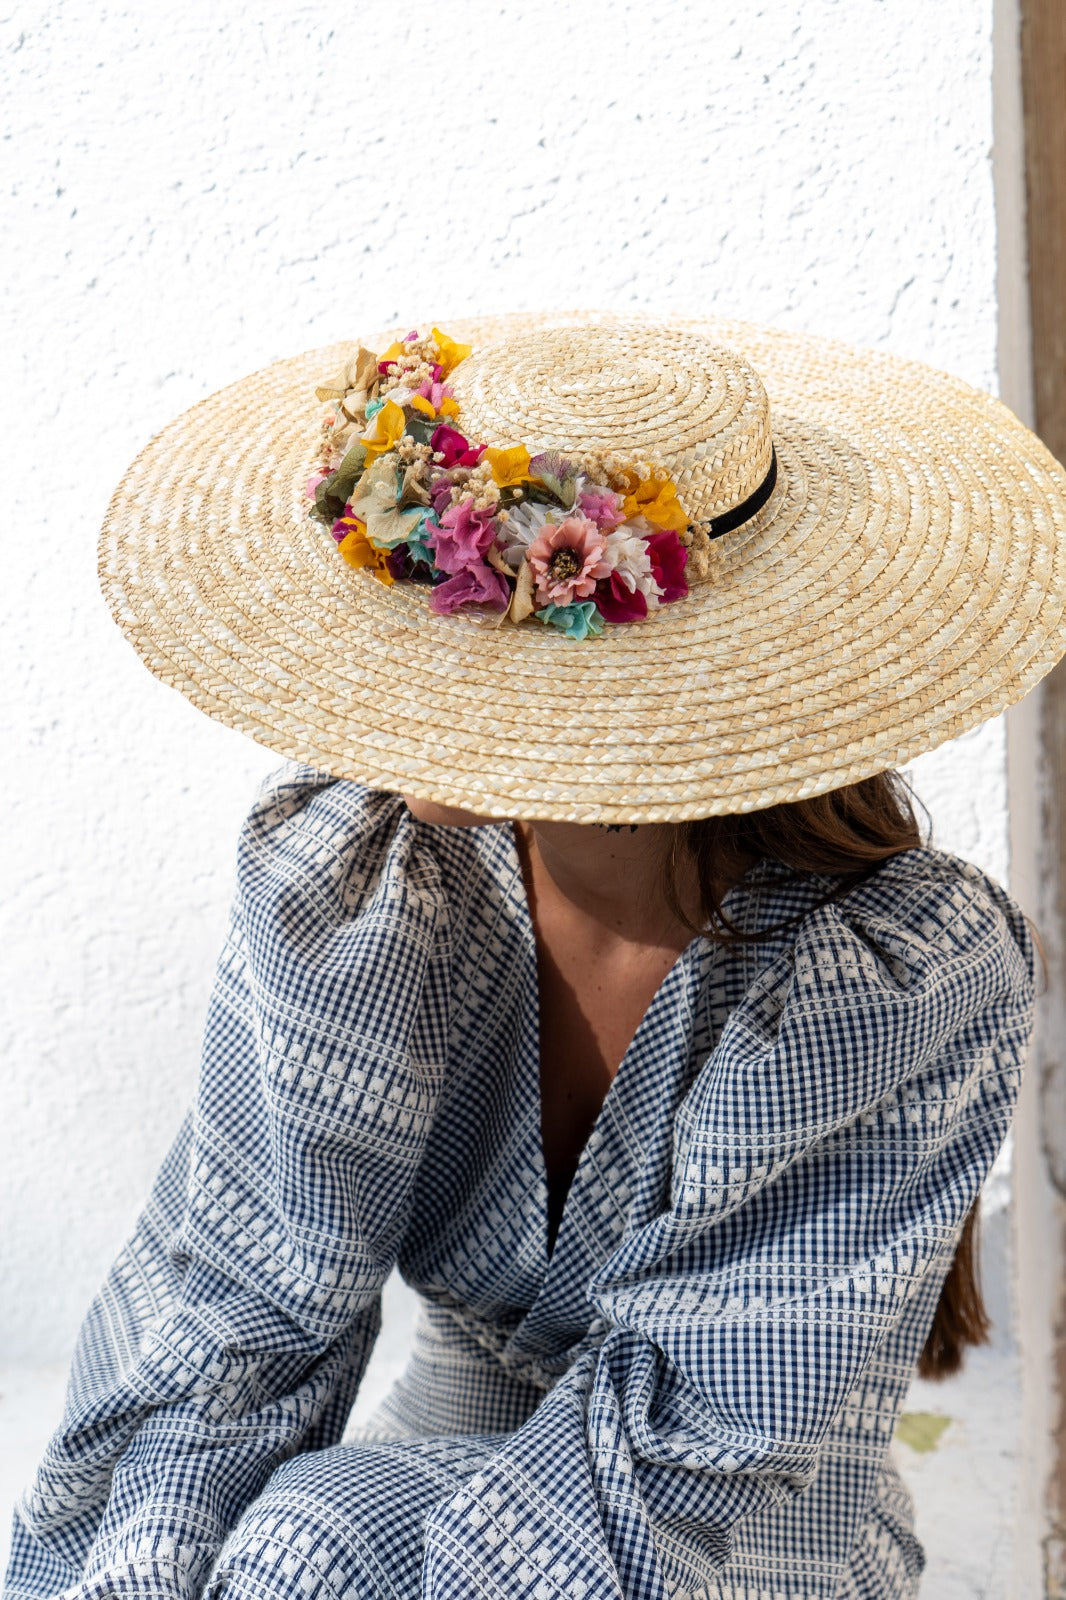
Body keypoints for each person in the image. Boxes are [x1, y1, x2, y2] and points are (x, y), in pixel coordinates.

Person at [6, 312, 1064, 1600]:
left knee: (308, 1539)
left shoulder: (904, 972)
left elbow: (702, 1456)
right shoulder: (359, 877)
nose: (413, 659)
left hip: (746, 1535)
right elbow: (232, 1314)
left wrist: (313, 1544)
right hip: (428, 1464)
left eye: (473, 612)